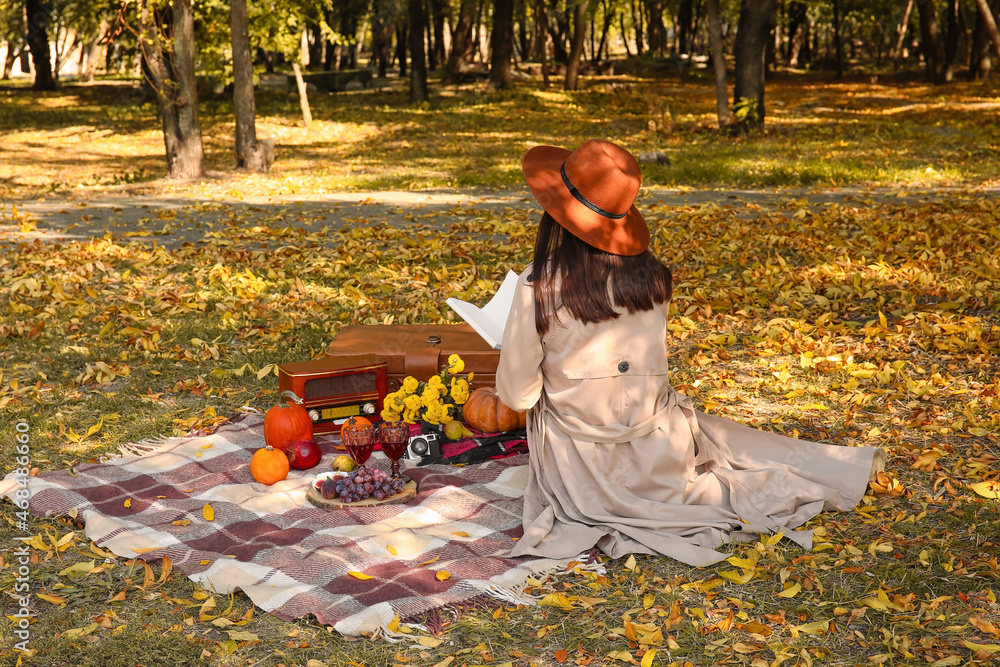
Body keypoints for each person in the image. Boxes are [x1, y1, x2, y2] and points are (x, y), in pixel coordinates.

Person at [496, 139, 883, 567]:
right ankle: (833, 468)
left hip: (580, 465)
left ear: (556, 213)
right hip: (660, 454)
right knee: (731, 446)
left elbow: (517, 397)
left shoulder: (539, 284)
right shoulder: (654, 279)